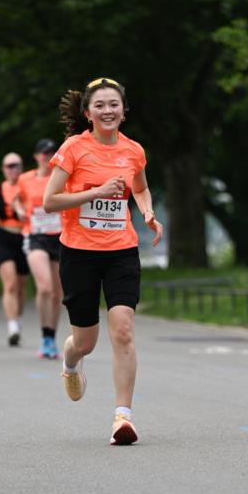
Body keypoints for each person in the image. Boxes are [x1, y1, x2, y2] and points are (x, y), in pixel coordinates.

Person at [43, 77, 163, 445]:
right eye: (100, 105)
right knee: (85, 342)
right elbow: (50, 201)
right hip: (79, 253)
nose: (107, 110)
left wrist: (147, 211)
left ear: (124, 111)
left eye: (114, 104)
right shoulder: (74, 149)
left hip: (121, 251)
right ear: (88, 112)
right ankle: (70, 362)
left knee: (123, 328)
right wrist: (95, 192)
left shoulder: (133, 151)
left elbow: (140, 187)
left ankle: (122, 417)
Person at [17, 139, 63, 358]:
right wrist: (19, 209)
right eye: (44, 153)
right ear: (36, 156)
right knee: (44, 287)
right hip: (35, 236)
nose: (47, 157)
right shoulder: (25, 179)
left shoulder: (61, 176)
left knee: (57, 293)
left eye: (51, 153)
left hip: (60, 236)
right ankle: (44, 336)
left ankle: (51, 337)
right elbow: (16, 199)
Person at [0, 153, 28, 346]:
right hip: (3, 237)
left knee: (21, 286)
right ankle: (12, 326)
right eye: (9, 166)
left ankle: (18, 320)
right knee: (10, 284)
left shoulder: (26, 187)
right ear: (3, 169)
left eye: (17, 165)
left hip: (24, 237)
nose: (13, 169)